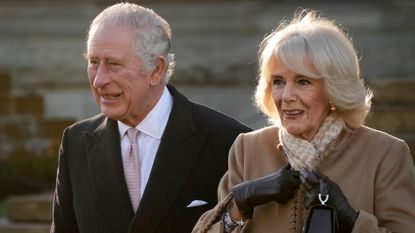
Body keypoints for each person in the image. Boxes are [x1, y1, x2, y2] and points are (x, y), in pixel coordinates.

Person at [192, 9, 415, 233]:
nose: (286, 96)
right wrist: (241, 204)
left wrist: (352, 219)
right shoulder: (248, 149)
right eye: (278, 81)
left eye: (303, 82)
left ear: (334, 88)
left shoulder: (385, 153)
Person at [50, 3, 251, 233]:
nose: (99, 80)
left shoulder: (230, 142)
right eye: (94, 62)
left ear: (156, 69)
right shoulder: (76, 142)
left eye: (114, 64)